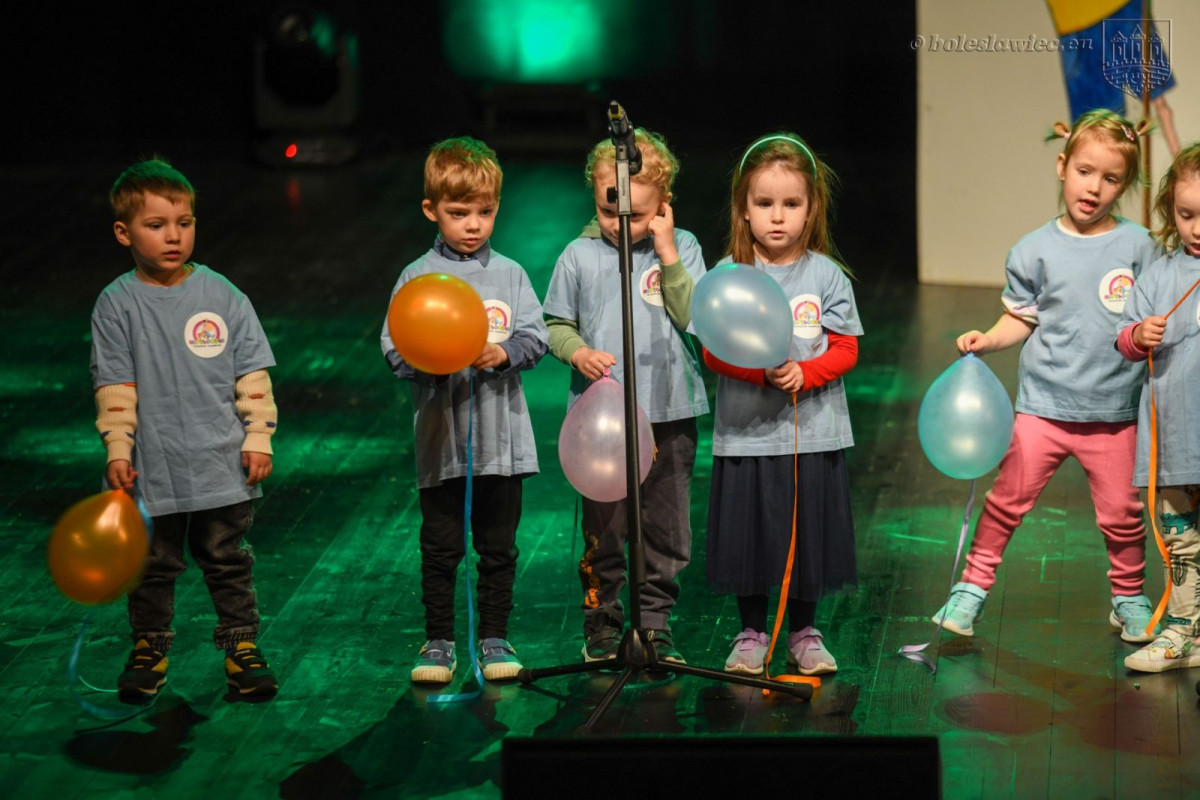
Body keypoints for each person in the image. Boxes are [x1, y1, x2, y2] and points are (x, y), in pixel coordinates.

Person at [932, 110, 1159, 643]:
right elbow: (1022, 317)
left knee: (1123, 514)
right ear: (1062, 167)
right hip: (1043, 410)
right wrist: (989, 339)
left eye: (1111, 178)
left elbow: (1152, 314)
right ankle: (970, 589)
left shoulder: (1140, 247)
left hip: (1115, 413)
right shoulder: (1033, 249)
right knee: (1006, 501)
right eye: (1085, 171)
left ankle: (1129, 596)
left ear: (1124, 185)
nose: (1094, 187)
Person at [92, 158, 279, 702]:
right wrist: (119, 448)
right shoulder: (116, 304)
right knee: (152, 564)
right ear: (124, 233)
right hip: (154, 465)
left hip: (220, 460)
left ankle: (242, 647)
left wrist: (258, 436)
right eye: (156, 225)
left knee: (227, 559)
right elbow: (115, 386)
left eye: (184, 222)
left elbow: (252, 375)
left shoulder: (222, 295)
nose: (174, 236)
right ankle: (149, 648)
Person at [381, 137, 548, 684]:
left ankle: (495, 636)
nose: (473, 225)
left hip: (503, 445)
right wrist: (435, 359)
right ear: (431, 210)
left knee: (498, 547)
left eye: (485, 212)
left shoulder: (511, 274)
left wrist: (502, 352)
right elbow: (394, 349)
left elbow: (536, 338)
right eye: (458, 213)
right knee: (441, 547)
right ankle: (438, 641)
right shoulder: (416, 278)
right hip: (442, 445)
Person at [543, 128, 708, 664]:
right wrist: (577, 353)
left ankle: (655, 622)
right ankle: (603, 621)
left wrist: (667, 252)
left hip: (669, 410)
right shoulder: (579, 255)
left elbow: (695, 316)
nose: (620, 224)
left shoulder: (683, 248)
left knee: (666, 524)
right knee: (605, 528)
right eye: (608, 211)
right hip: (604, 423)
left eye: (636, 215)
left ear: (664, 205)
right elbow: (554, 324)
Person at [704, 133, 861, 677]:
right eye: (764, 203)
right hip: (746, 433)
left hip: (811, 432)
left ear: (810, 209)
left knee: (807, 532)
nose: (777, 216)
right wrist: (760, 373)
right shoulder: (728, 275)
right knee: (748, 534)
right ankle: (751, 632)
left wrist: (805, 373)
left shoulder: (826, 275)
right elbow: (713, 349)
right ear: (743, 209)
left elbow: (845, 348)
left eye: (791, 204)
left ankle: (803, 632)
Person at [1117, 142, 1200, 672]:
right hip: (1174, 442)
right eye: (1186, 214)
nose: (1197, 228)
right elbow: (1123, 338)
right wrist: (1138, 335)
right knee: (1181, 545)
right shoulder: (1158, 276)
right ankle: (1185, 632)